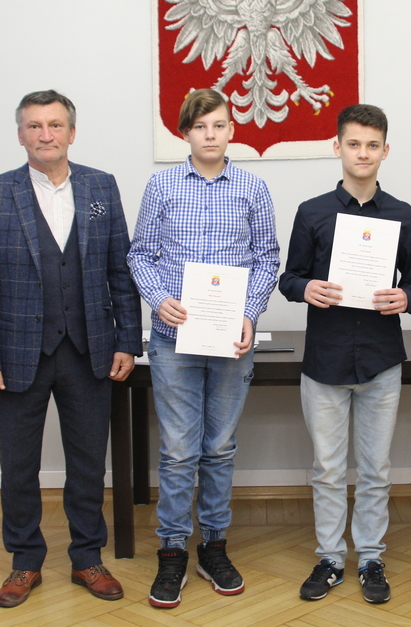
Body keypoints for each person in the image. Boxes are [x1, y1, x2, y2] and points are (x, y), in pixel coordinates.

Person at [0, 90, 142, 608]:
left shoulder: (101, 186)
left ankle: (87, 557)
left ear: (72, 132)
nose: (46, 134)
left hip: (90, 350)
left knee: (87, 463)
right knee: (18, 465)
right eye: (35, 126)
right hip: (17, 354)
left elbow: (121, 271)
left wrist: (127, 340)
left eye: (55, 125)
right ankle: (24, 561)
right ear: (21, 134)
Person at [127, 88, 280, 609]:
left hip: (231, 338)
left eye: (218, 125)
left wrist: (249, 312)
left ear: (231, 129)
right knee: (177, 450)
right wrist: (159, 299)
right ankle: (172, 550)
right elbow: (140, 254)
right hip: (174, 339)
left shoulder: (253, 188)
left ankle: (213, 546)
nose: (210, 135)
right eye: (200, 127)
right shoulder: (162, 185)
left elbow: (267, 257)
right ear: (185, 133)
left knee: (219, 447)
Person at [279, 104, 411, 605]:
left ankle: (369, 557)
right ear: (337, 147)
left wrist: (407, 297)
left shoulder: (403, 214)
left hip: (381, 360)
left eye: (372, 145)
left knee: (375, 468)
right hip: (325, 361)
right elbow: (289, 277)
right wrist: (306, 288)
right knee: (326, 468)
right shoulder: (312, 212)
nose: (363, 153)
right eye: (354, 144)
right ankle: (328, 558)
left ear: (385, 150)